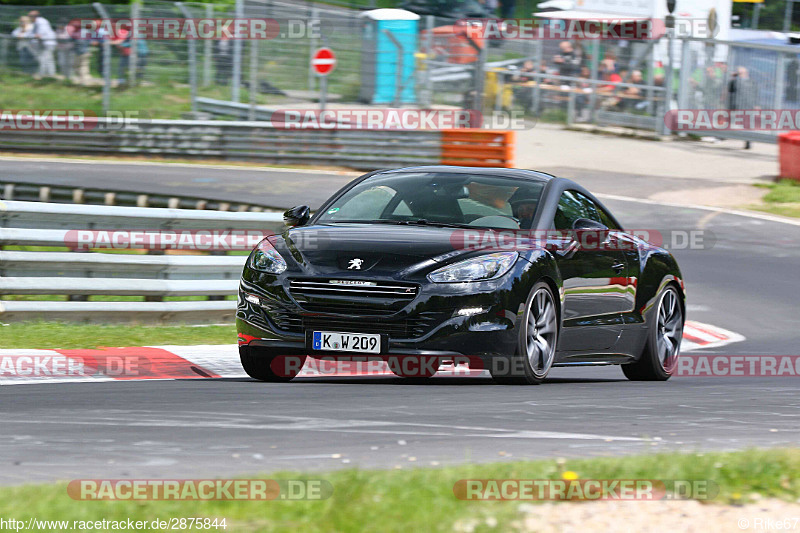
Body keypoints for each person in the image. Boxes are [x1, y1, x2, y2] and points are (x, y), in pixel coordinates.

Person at [29, 10, 57, 79]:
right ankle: (50, 74)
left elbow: (40, 35)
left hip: (48, 43)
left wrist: (33, 37)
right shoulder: (38, 22)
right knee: (48, 59)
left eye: (30, 16)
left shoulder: (40, 21)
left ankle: (42, 75)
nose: (29, 18)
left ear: (34, 16)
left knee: (44, 59)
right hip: (46, 43)